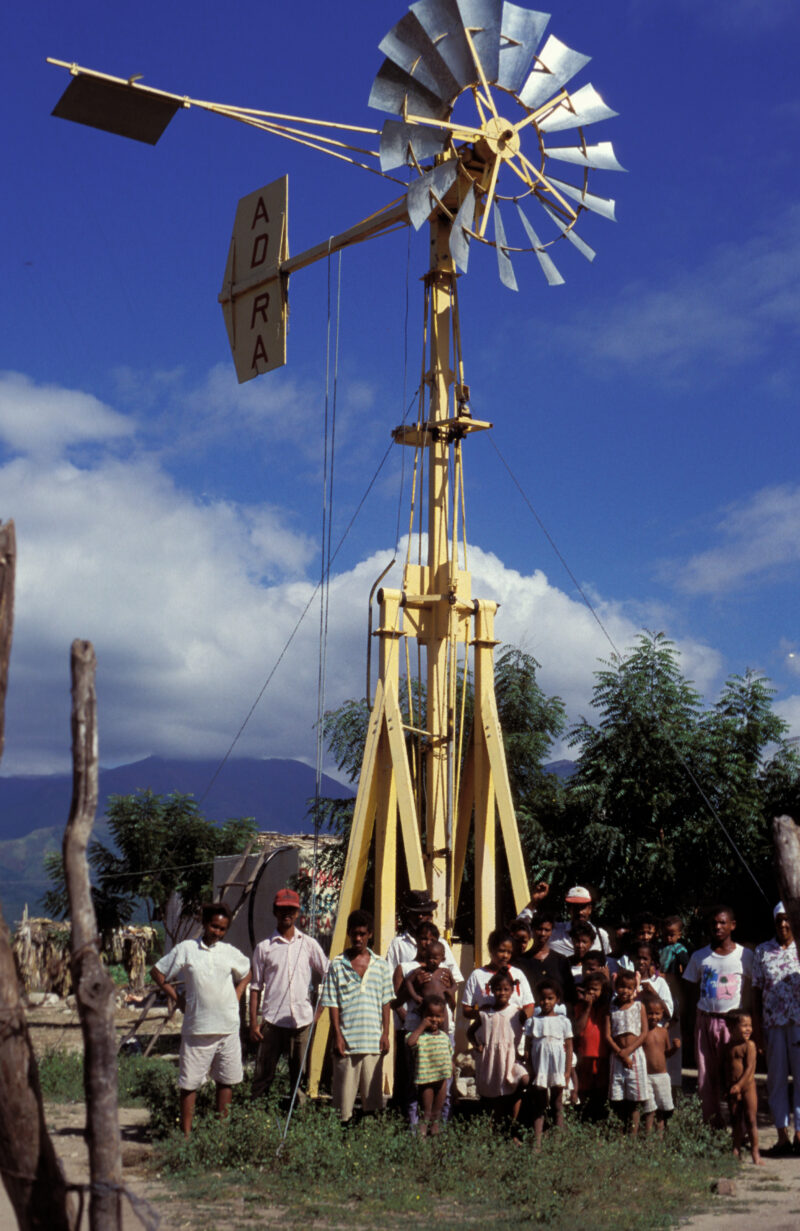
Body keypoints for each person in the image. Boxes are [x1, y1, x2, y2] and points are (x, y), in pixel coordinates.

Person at [150, 902, 250, 1136]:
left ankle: (220, 1134)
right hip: (197, 1029)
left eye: (222, 929)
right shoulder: (187, 949)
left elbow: (247, 972)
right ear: (205, 924)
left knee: (226, 1081)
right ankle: (186, 1137)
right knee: (189, 1084)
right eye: (214, 926)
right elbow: (157, 972)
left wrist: (237, 992)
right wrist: (178, 999)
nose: (217, 932)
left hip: (227, 1029)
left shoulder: (229, 952)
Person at [249, 887, 329, 1104]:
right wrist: (253, 1024)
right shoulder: (264, 948)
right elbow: (255, 986)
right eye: (282, 909)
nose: (287, 913)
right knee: (263, 1075)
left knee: (300, 1077)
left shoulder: (308, 944)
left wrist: (319, 1011)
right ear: (275, 911)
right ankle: (256, 1116)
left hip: (302, 1021)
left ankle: (298, 1121)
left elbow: (329, 974)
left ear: (298, 913)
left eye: (291, 909)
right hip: (272, 1022)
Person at [683, 905, 753, 1126]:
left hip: (732, 1024)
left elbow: (752, 988)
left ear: (733, 925)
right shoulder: (699, 956)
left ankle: (738, 1129)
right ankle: (712, 1125)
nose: (718, 927)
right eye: (714, 923)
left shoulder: (745, 956)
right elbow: (691, 988)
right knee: (706, 1076)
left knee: (734, 1075)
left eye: (723, 922)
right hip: (705, 1020)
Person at [321, 909, 393, 1123]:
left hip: (372, 1043)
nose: (358, 938)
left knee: (372, 1103)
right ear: (349, 933)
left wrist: (385, 1034)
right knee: (343, 1107)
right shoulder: (337, 964)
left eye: (362, 933)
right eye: (354, 933)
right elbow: (332, 1003)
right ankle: (342, 1141)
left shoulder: (381, 965)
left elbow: (386, 1002)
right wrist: (338, 1036)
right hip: (347, 1043)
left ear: (370, 934)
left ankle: (368, 1142)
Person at [752, 902, 800, 1155]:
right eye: (779, 920)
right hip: (772, 1025)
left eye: (788, 919)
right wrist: (757, 1029)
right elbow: (756, 991)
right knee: (777, 1080)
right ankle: (782, 1136)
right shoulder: (762, 951)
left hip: (799, 1025)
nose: (783, 924)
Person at [467, 969, 529, 1135]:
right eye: (498, 989)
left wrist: (526, 1051)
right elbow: (470, 1032)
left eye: (506, 989)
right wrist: (476, 1045)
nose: (502, 993)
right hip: (493, 1060)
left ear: (512, 991)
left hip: (512, 1058)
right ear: (492, 990)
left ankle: (514, 1125)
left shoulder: (517, 1013)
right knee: (497, 1098)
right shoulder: (485, 1014)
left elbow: (529, 1030)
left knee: (523, 1079)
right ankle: (499, 1132)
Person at [525, 977, 573, 1146]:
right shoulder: (533, 1021)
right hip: (540, 1068)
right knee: (539, 1103)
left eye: (550, 998)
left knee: (557, 1102)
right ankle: (537, 1141)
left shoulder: (563, 1021)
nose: (546, 1002)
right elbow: (528, 1046)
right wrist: (531, 1068)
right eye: (543, 998)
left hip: (557, 1067)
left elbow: (569, 1047)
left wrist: (567, 1072)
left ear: (557, 1000)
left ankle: (558, 1140)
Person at [605, 969, 648, 1134]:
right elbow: (607, 1036)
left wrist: (628, 1051)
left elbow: (643, 1033)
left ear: (634, 989)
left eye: (629, 988)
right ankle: (620, 1132)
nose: (625, 991)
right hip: (617, 1057)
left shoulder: (639, 1006)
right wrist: (620, 1053)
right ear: (616, 987)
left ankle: (633, 1135)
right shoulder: (612, 1009)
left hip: (635, 1055)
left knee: (634, 1098)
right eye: (622, 987)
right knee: (619, 1097)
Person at [462, 928, 534, 1022]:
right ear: (491, 949)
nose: (505, 956)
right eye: (501, 951)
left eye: (509, 952)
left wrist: (518, 1019)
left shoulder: (518, 974)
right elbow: (466, 1009)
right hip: (488, 1033)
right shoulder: (477, 975)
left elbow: (529, 1006)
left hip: (514, 1033)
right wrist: (484, 1014)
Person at [406, 992, 453, 1136]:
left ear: (443, 1017)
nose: (434, 1020)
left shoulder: (445, 1037)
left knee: (437, 1113)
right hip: (426, 1081)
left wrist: (451, 1069)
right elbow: (410, 1042)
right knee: (426, 1113)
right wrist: (421, 1026)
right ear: (422, 1016)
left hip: (441, 1080)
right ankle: (422, 1139)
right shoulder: (419, 1036)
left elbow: (449, 1055)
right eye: (430, 1016)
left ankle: (435, 1140)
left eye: (438, 1016)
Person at [723, 1011, 763, 1165]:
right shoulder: (727, 1047)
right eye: (744, 1026)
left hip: (747, 1088)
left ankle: (755, 1152)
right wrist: (725, 1087)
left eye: (750, 1026)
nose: (748, 1029)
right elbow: (724, 1068)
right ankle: (736, 1149)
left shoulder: (749, 1046)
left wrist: (739, 1086)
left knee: (751, 1120)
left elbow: (750, 1069)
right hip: (732, 1089)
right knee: (735, 1120)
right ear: (731, 1027)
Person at [640, 990, 679, 1135]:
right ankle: (648, 1138)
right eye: (650, 1013)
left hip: (662, 1076)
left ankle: (660, 1137)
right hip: (646, 1076)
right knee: (649, 1109)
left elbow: (667, 1054)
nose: (654, 1017)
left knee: (663, 1109)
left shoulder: (663, 1032)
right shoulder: (642, 1032)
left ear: (663, 1013)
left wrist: (675, 1048)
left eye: (657, 1013)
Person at [572, 971, 611, 1121]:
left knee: (600, 1090)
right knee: (584, 1089)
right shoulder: (580, 1007)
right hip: (585, 1054)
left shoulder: (607, 1008)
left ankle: (598, 1120)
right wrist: (587, 1007)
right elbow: (578, 1029)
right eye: (589, 989)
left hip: (602, 1055)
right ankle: (582, 1119)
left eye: (595, 989)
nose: (591, 992)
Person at [518, 912, 576, 1007]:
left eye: (547, 930)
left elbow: (569, 994)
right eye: (539, 929)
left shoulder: (561, 961)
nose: (543, 933)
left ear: (551, 931)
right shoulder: (521, 962)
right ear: (532, 929)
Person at [659, 915, 689, 1089]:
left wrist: (671, 977)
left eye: (672, 934)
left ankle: (674, 1081)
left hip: (673, 992)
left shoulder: (679, 949)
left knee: (673, 1030)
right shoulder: (660, 947)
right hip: (660, 992)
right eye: (666, 934)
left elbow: (685, 970)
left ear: (679, 934)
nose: (668, 938)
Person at [631, 942, 673, 1021]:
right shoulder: (627, 981)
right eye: (638, 958)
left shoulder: (659, 982)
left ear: (651, 961)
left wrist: (653, 994)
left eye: (645, 959)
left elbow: (669, 1014)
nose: (641, 962)